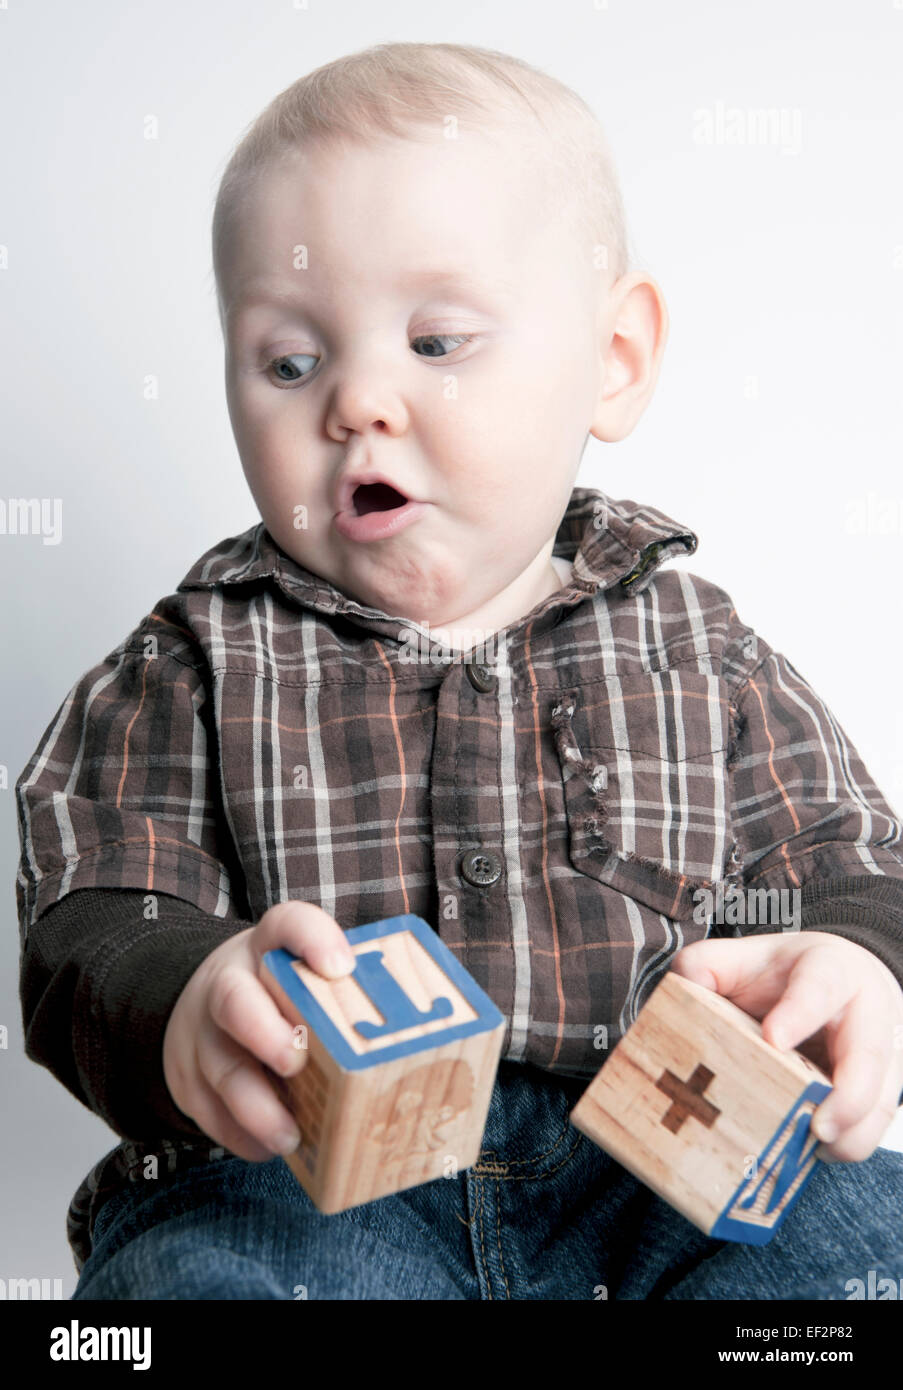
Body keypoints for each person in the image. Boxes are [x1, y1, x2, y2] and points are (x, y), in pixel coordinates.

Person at [15, 41, 903, 1300]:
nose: (358, 400)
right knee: (203, 1278)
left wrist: (858, 964)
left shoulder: (702, 646)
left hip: (665, 1171)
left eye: (436, 342)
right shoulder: (195, 660)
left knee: (862, 1254)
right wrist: (190, 994)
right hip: (313, 1180)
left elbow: (852, 858)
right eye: (287, 361)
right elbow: (90, 912)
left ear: (614, 357)